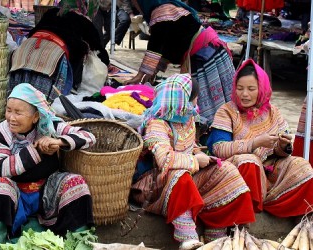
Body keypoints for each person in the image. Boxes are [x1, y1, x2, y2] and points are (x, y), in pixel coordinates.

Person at [131, 74, 255, 250]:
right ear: (182, 100)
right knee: (179, 173)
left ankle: (216, 234)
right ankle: (187, 237)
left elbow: (189, 145)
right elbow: (164, 159)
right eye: (194, 98)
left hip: (187, 176)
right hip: (154, 183)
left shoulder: (186, 119)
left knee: (226, 170)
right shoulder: (157, 124)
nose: (196, 103)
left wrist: (200, 154)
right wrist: (195, 160)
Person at [0, 83, 96, 250]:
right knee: (0, 185)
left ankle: (80, 243)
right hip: (15, 195)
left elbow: (89, 136)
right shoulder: (1, 131)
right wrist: (37, 151)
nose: (11, 117)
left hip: (45, 192)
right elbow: (1, 167)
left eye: (18, 112)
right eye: (9, 110)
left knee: (76, 182)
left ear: (35, 117)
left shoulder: (50, 125)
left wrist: (58, 141)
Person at [207, 59, 313, 219]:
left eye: (251, 89)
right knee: (250, 162)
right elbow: (219, 149)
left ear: (262, 89)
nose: (244, 94)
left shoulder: (273, 112)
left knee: (302, 166)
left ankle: (290, 211)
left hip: (270, 170)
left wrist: (283, 146)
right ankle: (246, 214)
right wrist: (255, 143)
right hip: (237, 171)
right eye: (240, 88)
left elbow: (282, 152)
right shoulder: (227, 111)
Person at [125, 0, 235, 126]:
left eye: (135, 2)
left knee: (210, 103)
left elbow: (156, 46)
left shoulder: (162, 12)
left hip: (206, 56)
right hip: (206, 53)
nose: (136, 6)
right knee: (217, 101)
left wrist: (140, 75)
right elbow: (166, 46)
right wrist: (152, 71)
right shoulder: (163, 13)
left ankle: (217, 131)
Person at [9, 0, 109, 101]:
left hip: (26, 49)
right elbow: (99, 49)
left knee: (20, 94)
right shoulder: (84, 21)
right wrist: (106, 64)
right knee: (43, 102)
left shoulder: (51, 12)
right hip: (52, 54)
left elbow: (34, 32)